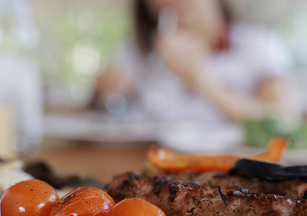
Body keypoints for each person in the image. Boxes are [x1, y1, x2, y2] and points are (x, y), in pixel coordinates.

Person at [92, 0, 292, 124]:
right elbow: (108, 113)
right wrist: (108, 93)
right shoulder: (138, 51)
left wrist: (201, 81)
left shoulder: (257, 44)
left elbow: (282, 119)